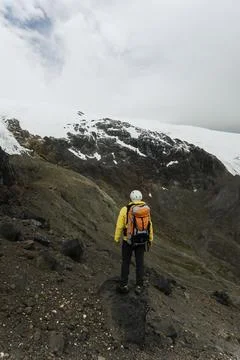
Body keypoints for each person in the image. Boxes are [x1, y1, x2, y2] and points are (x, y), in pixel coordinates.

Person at [114, 190, 153, 294]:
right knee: (140, 263)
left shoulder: (125, 209)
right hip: (141, 241)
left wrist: (117, 238)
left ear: (131, 198)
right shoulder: (146, 209)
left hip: (128, 240)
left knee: (126, 262)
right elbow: (150, 225)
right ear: (140, 198)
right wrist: (150, 239)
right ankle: (139, 286)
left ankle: (123, 285)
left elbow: (119, 226)